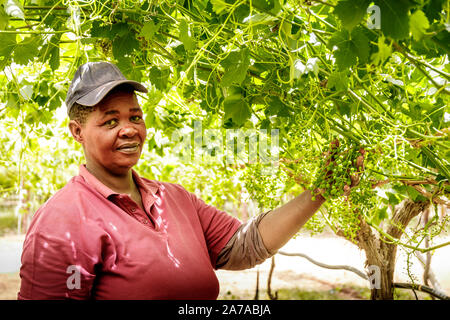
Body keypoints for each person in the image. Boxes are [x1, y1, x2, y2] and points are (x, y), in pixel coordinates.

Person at [18, 62, 363, 300]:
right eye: (110, 121)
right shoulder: (63, 220)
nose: (129, 129)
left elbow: (244, 247)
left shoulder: (174, 198)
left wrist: (319, 192)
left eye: (135, 116)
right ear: (77, 132)